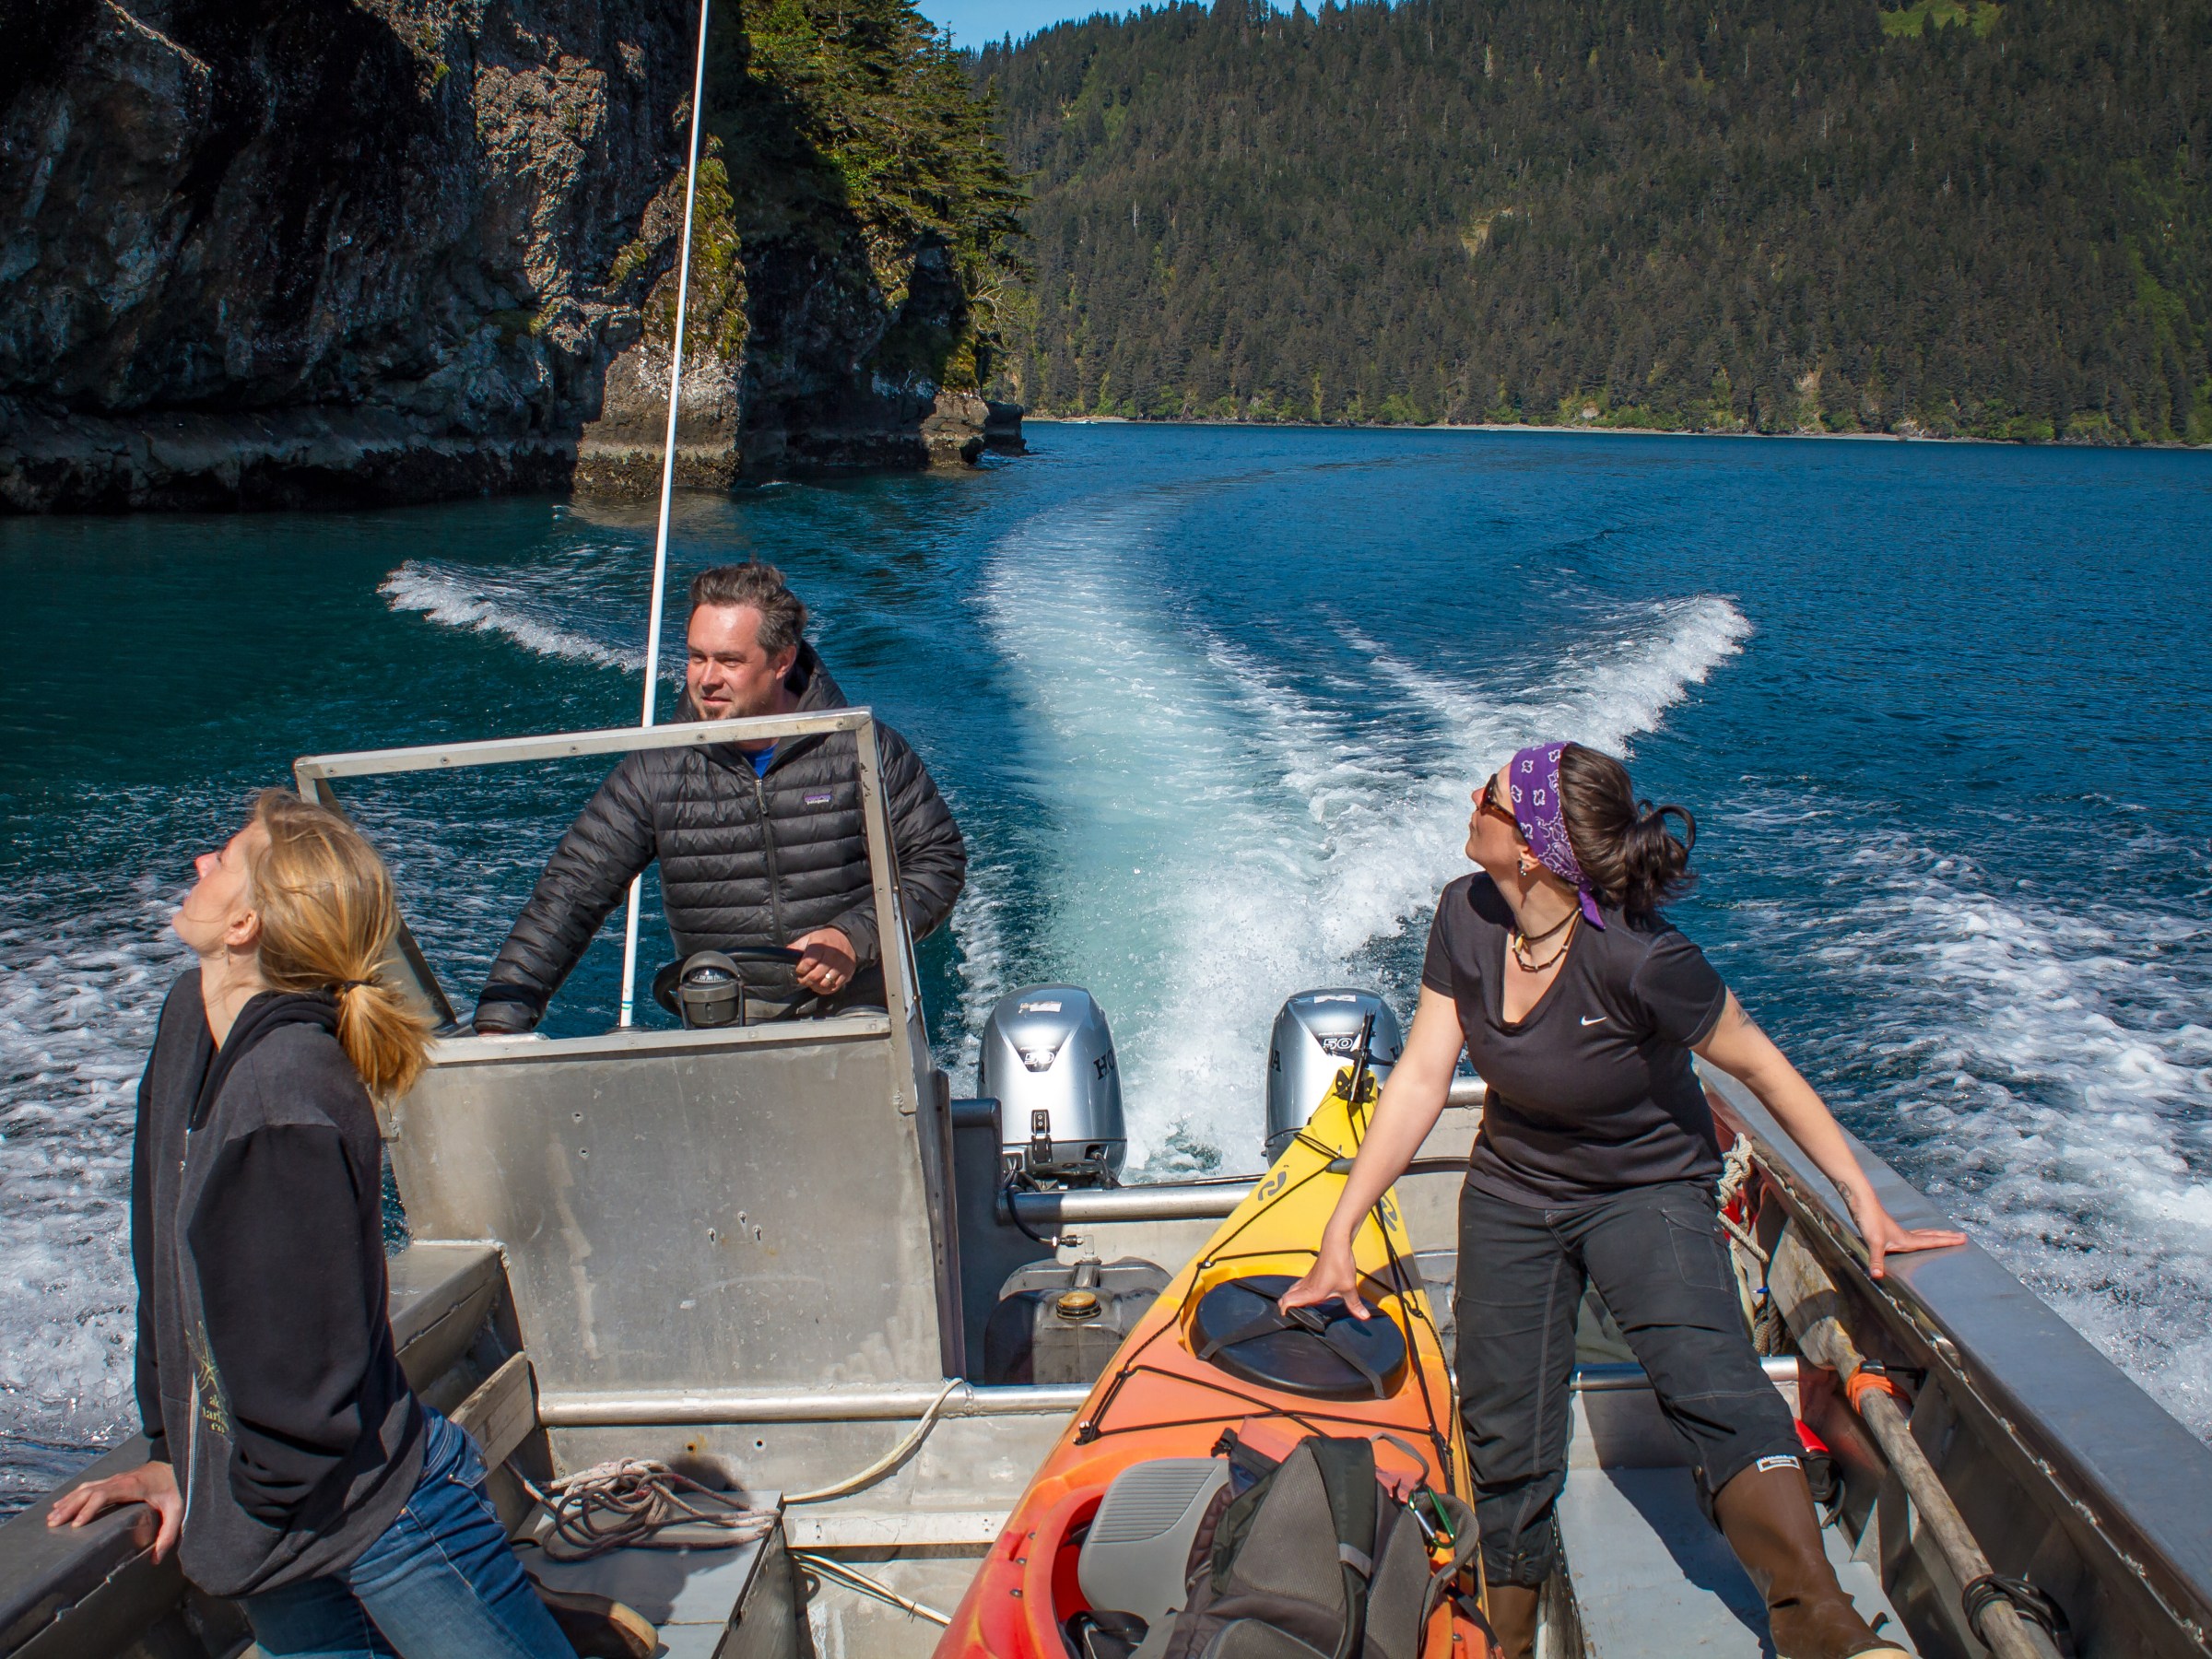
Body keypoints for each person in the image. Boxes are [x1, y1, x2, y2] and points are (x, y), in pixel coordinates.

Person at [1280, 742, 1964, 1659]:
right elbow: (1419, 1080)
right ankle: (1505, 1637)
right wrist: (1341, 1227)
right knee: (1503, 1421)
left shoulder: (1643, 961)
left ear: (1529, 848)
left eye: (1489, 794)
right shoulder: (1465, 912)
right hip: (1515, 1185)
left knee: (1712, 1382)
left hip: (1645, 1186)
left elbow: (1759, 1063)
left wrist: (1859, 1198)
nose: (1470, 798)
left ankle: (1824, 1625)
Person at [49, 791, 646, 1657]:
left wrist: (242, 1495)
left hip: (373, 1513)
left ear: (247, 923)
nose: (200, 866)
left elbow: (308, 1375)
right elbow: (165, 1264)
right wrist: (172, 1449)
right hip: (270, 1527)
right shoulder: (190, 1024)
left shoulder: (287, 1095)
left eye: (224, 857)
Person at [473, 560, 966, 1032]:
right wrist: (502, 1020)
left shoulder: (861, 749)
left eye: (729, 661)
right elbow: (572, 890)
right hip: (723, 1020)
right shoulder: (656, 768)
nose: (706, 679)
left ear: (782, 661)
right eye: (696, 656)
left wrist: (853, 936)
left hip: (857, 1014)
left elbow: (936, 861)